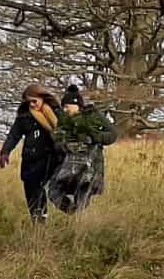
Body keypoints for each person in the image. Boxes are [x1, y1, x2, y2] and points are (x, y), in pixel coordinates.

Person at [48, 84, 118, 213]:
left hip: (90, 166)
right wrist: (62, 145)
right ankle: (72, 213)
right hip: (67, 166)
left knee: (82, 197)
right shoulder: (63, 120)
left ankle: (79, 223)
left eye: (67, 106)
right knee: (53, 192)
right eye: (63, 106)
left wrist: (95, 137)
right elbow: (56, 139)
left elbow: (113, 134)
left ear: (76, 104)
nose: (65, 109)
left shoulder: (93, 115)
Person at [0, 83, 61, 223]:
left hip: (50, 157)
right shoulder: (24, 117)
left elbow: (68, 131)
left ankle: (43, 215)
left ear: (43, 98)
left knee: (39, 185)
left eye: (35, 101)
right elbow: (13, 135)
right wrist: (5, 152)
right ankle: (36, 218)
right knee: (29, 187)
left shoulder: (56, 113)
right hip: (30, 158)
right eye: (29, 102)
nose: (32, 105)